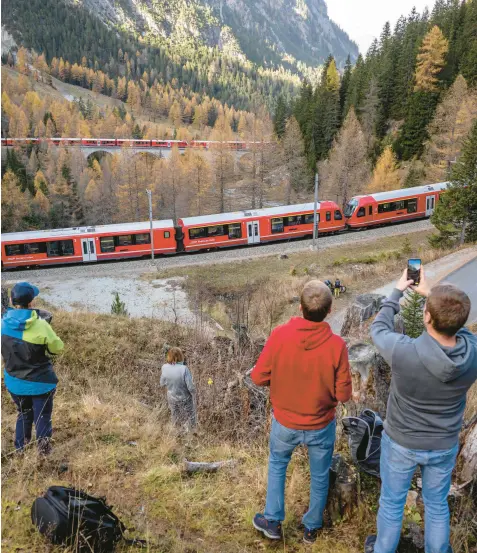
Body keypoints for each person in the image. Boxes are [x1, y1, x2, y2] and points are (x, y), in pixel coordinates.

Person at [366, 267, 477, 553]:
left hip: (401, 442)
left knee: (391, 503)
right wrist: (435, 299)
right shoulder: (472, 354)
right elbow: (457, 327)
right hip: (443, 445)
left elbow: (378, 329)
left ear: (427, 317)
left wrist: (397, 290)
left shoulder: (404, 352)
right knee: (437, 504)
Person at [251, 280, 352, 544]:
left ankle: (272, 522)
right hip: (321, 424)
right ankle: (311, 528)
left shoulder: (279, 335)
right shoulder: (337, 346)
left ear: (300, 307)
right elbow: (343, 395)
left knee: (277, 466)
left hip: (284, 421)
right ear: (329, 311)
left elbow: (258, 376)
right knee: (319, 476)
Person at [1, 282, 64, 454]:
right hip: (41, 382)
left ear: (14, 302)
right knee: (42, 415)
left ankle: (21, 449)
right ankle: (43, 453)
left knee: (24, 413)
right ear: (31, 303)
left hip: (14, 382)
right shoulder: (42, 325)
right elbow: (56, 348)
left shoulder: (2, 323)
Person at [160, 347, 197, 432]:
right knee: (191, 416)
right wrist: (194, 393)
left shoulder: (164, 367)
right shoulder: (184, 369)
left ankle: (176, 432)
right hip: (185, 397)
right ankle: (192, 432)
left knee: (175, 415)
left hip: (171, 396)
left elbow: (162, 383)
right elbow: (190, 387)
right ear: (181, 356)